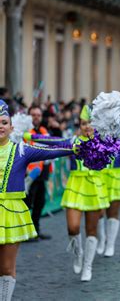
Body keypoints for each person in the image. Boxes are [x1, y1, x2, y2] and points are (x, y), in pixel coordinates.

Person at [0, 100, 77, 301]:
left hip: (11, 212)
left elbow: (52, 151)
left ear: (11, 126)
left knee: (6, 267)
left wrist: (76, 146)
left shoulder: (22, 150)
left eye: (4, 122)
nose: (0, 126)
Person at [26, 105, 109, 282]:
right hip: (75, 186)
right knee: (72, 227)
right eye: (83, 123)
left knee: (91, 229)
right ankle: (78, 254)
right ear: (79, 125)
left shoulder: (103, 143)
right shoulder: (72, 142)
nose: (87, 126)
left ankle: (88, 266)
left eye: (90, 123)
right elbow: (52, 141)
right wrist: (29, 136)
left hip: (94, 187)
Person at [24, 105, 53, 240]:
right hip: (28, 174)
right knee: (28, 203)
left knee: (40, 202)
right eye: (33, 114)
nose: (36, 117)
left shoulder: (43, 130)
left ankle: (35, 230)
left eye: (38, 115)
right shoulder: (24, 131)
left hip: (42, 173)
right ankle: (24, 232)